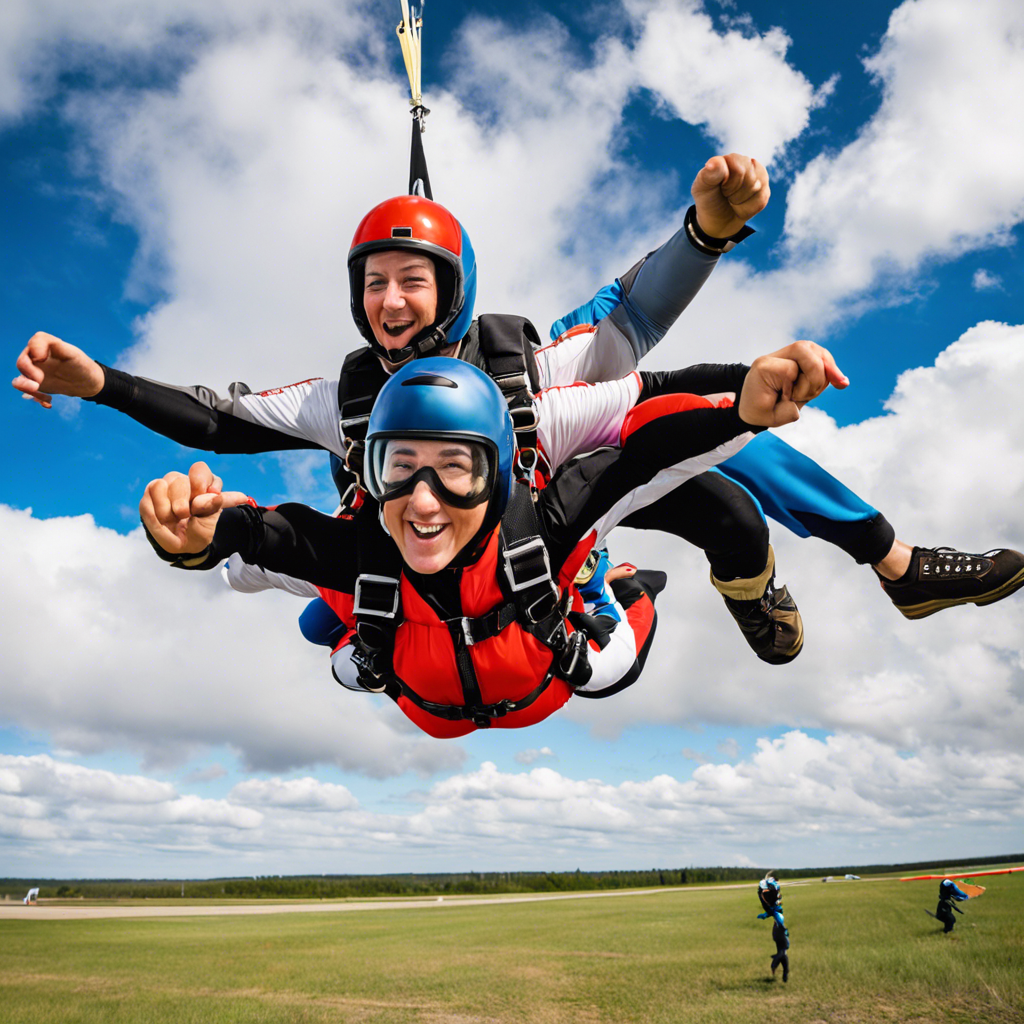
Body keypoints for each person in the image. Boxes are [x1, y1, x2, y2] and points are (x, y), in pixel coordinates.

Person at [16, 155, 1023, 654]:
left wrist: (707, 235)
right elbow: (223, 420)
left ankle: (880, 567)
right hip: (404, 564)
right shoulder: (347, 392)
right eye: (373, 284)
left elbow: (630, 329)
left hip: (547, 522)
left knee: (724, 486)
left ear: (452, 286)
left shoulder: (525, 368)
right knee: (323, 626)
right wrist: (99, 383)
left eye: (414, 280)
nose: (391, 300)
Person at [140, 344, 835, 736]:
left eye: (456, 471)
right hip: (432, 686)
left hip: (548, 669)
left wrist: (739, 409)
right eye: (397, 470)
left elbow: (642, 453)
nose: (423, 502)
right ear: (367, 473)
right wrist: (200, 535)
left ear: (499, 475)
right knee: (319, 616)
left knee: (609, 656)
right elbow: (268, 541)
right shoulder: (365, 549)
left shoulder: (544, 525)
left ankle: (611, 580)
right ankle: (364, 639)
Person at [757, 873, 789, 981]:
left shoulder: (772, 903)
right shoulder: (772, 899)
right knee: (783, 950)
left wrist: (765, 915)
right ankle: (775, 963)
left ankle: (785, 973)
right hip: (779, 929)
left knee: (783, 951)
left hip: (776, 930)